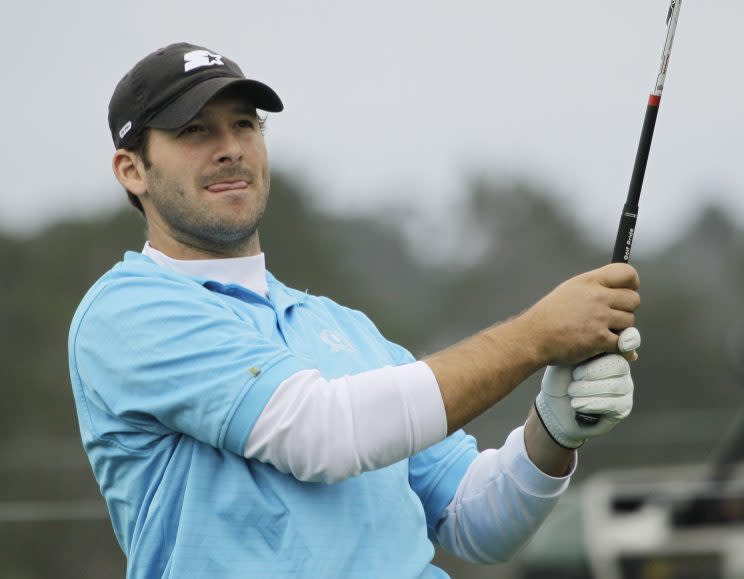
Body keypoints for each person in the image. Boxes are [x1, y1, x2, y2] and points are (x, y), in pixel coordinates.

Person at [68, 42, 641, 578]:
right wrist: (536, 337)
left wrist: (554, 428)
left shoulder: (341, 327)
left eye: (244, 124)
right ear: (132, 170)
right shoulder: (126, 310)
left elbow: (476, 521)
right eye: (194, 131)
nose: (231, 148)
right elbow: (324, 434)